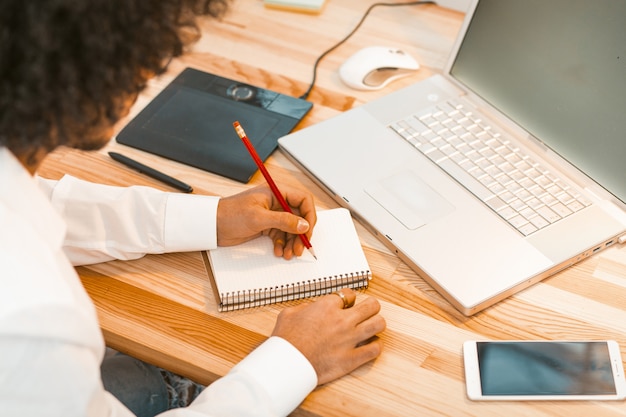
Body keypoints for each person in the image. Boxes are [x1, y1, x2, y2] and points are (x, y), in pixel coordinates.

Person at [0, 0, 387, 416]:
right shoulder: (32, 320)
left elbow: (40, 203)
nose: (148, 76)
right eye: (146, 63)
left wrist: (213, 218)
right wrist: (295, 359)